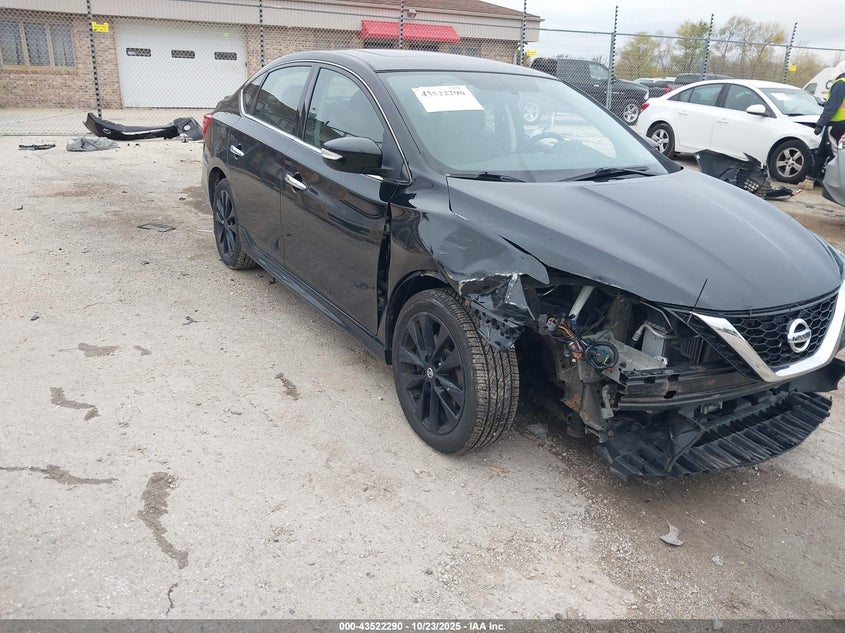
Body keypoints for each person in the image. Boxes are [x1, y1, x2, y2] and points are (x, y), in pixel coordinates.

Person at [815, 71, 845, 144]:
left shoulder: (840, 83)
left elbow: (832, 106)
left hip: (836, 125)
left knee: (831, 153)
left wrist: (820, 124)